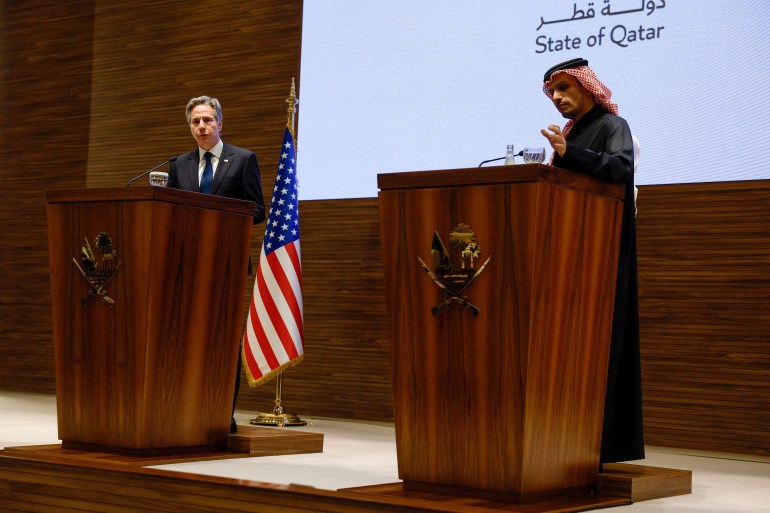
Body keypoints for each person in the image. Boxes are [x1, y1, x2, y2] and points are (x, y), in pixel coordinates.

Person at [540, 58, 644, 464]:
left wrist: (570, 154)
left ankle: (604, 444)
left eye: (565, 89)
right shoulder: (574, 132)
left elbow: (619, 169)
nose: (558, 98)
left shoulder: (612, 126)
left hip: (604, 251)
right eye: (553, 92)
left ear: (588, 87)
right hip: (574, 251)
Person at [168, 95, 266, 433]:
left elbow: (257, 209)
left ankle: (222, 409)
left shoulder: (242, 160)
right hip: (187, 267)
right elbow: (170, 212)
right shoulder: (178, 165)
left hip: (227, 264)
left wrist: (217, 216)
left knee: (222, 341)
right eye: (195, 122)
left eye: (207, 120)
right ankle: (183, 405)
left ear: (220, 123)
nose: (201, 127)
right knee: (184, 339)